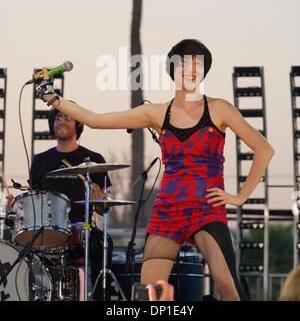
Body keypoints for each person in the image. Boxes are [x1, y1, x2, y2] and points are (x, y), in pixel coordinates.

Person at [33, 38, 275, 301]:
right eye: (185, 63)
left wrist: (239, 197)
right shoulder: (157, 113)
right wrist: (52, 97)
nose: (192, 69)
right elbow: (95, 120)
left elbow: (264, 150)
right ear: (173, 69)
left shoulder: (219, 109)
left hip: (206, 208)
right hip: (168, 210)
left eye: (198, 64)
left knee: (228, 288)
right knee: (149, 294)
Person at [30, 104, 113, 301]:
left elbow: (104, 208)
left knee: (104, 242)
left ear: (78, 123)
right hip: (48, 230)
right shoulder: (41, 160)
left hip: (82, 228)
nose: (61, 120)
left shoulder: (95, 159)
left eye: (67, 117)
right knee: (25, 251)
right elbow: (33, 201)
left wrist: (99, 200)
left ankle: (102, 297)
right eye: (57, 118)